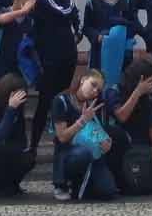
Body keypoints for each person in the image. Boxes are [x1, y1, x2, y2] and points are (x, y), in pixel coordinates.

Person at [28, 0, 83, 161]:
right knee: (45, 102)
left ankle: (62, 141)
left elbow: (74, 15)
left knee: (63, 100)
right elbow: (63, 11)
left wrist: (77, 33)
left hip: (67, 54)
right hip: (49, 58)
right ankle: (33, 145)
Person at [102, 55, 152, 194]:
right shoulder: (113, 91)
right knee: (115, 135)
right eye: (150, 80)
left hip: (140, 139)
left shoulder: (148, 96)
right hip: (120, 141)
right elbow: (121, 116)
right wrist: (137, 93)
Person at [49, 69, 119, 201]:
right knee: (82, 153)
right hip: (68, 151)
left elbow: (96, 130)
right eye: (93, 84)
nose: (94, 91)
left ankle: (82, 184)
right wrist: (82, 121)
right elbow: (62, 137)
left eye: (98, 90)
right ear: (82, 80)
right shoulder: (61, 101)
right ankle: (62, 184)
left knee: (108, 191)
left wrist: (105, 142)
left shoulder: (94, 104)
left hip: (92, 151)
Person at [82, 0, 139, 87]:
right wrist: (97, 36)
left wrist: (126, 40)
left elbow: (134, 25)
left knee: (121, 86)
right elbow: (86, 27)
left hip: (122, 52)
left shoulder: (127, 0)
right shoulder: (92, 1)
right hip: (99, 52)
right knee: (97, 87)